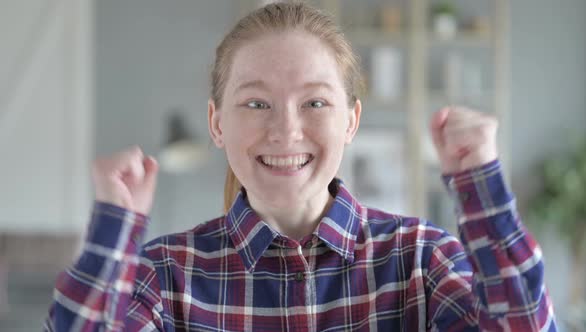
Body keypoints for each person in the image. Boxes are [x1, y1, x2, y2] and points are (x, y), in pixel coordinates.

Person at [45, 2, 556, 331]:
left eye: (314, 103)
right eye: (256, 103)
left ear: (351, 120)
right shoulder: (162, 278)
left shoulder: (424, 262)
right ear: (216, 122)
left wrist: (482, 189)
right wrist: (114, 229)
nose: (286, 131)